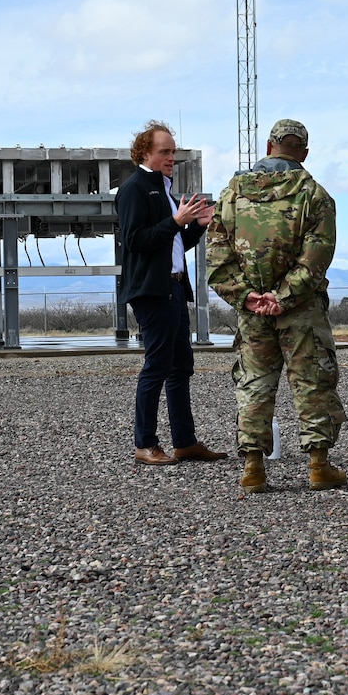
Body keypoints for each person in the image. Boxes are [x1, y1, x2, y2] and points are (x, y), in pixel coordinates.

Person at [206, 119, 348, 493]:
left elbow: (216, 255)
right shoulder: (315, 195)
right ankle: (319, 465)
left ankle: (253, 468)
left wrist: (247, 296)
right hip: (301, 310)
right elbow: (316, 258)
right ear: (303, 152)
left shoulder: (232, 194)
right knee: (312, 381)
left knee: (254, 382)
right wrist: (282, 298)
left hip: (252, 311)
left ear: (269, 147)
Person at [115, 121, 229, 466]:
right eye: (164, 151)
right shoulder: (134, 189)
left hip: (175, 287)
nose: (171, 157)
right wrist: (177, 221)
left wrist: (196, 227)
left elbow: (173, 243)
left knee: (181, 367)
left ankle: (185, 442)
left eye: (173, 151)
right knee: (157, 366)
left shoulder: (164, 191)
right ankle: (145, 443)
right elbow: (135, 241)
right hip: (152, 291)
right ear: (144, 153)